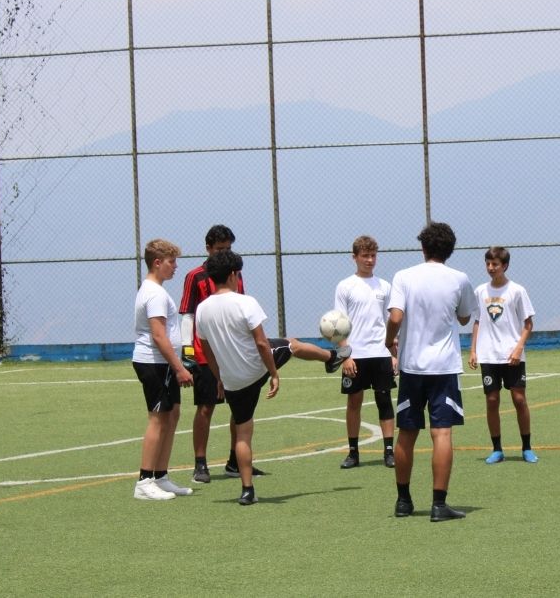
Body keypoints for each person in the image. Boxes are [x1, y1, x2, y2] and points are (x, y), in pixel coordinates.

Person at [194, 250, 351, 505]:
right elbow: (261, 343)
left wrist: (219, 377)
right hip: (255, 368)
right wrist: (274, 373)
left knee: (243, 433)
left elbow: (207, 349)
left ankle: (247, 491)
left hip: (232, 379)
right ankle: (331, 357)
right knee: (291, 344)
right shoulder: (245, 302)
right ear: (233, 274)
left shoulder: (202, 310)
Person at [386, 221, 478, 522]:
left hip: (412, 367)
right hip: (444, 367)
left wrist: (389, 341)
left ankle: (403, 502)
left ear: (423, 247)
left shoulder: (403, 276)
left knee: (407, 433)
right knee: (442, 433)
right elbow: (464, 318)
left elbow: (396, 317)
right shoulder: (459, 278)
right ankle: (439, 505)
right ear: (449, 250)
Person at [178, 224, 266, 483]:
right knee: (206, 407)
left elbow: (241, 311)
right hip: (205, 353)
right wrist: (187, 350)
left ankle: (235, 462)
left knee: (239, 407)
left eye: (228, 248)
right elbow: (188, 315)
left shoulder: (235, 273)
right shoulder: (195, 276)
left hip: (232, 351)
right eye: (219, 249)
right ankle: (200, 463)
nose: (224, 253)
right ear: (208, 249)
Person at [132, 238, 195, 501]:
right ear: (157, 263)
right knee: (158, 418)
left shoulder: (156, 290)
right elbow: (159, 336)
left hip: (163, 364)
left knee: (172, 415)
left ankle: (160, 476)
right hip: (154, 363)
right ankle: (144, 481)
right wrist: (180, 368)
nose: (175, 266)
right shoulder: (155, 294)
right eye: (171, 261)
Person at [468, 246, 537, 464]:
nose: (491, 268)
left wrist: (518, 348)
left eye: (495, 264)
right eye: (488, 263)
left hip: (512, 356)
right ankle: (497, 449)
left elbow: (528, 323)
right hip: (488, 356)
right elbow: (477, 321)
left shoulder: (517, 290)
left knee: (519, 399)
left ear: (504, 266)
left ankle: (527, 447)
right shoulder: (480, 291)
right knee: (492, 400)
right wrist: (473, 350)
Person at [334, 235, 397, 469]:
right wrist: (346, 355)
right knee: (354, 401)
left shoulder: (385, 286)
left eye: (373, 255)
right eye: (365, 256)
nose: (369, 260)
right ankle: (353, 453)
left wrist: (393, 354)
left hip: (380, 353)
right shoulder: (345, 286)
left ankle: (389, 451)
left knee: (384, 400)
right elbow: (338, 324)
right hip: (355, 355)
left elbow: (391, 321)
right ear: (355, 257)